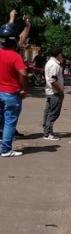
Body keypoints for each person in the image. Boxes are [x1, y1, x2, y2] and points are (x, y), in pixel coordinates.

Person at [0, 18, 28, 157]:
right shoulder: (15, 56)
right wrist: (23, 89)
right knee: (9, 122)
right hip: (11, 94)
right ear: (14, 41)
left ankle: (1, 145)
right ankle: (5, 150)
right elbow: (23, 72)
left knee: (1, 120)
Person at [42, 48, 64, 140]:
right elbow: (53, 80)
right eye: (61, 55)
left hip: (50, 91)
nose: (62, 57)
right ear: (58, 55)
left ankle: (46, 131)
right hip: (54, 92)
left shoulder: (50, 63)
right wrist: (60, 91)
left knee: (48, 113)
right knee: (53, 113)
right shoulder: (54, 65)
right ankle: (48, 133)